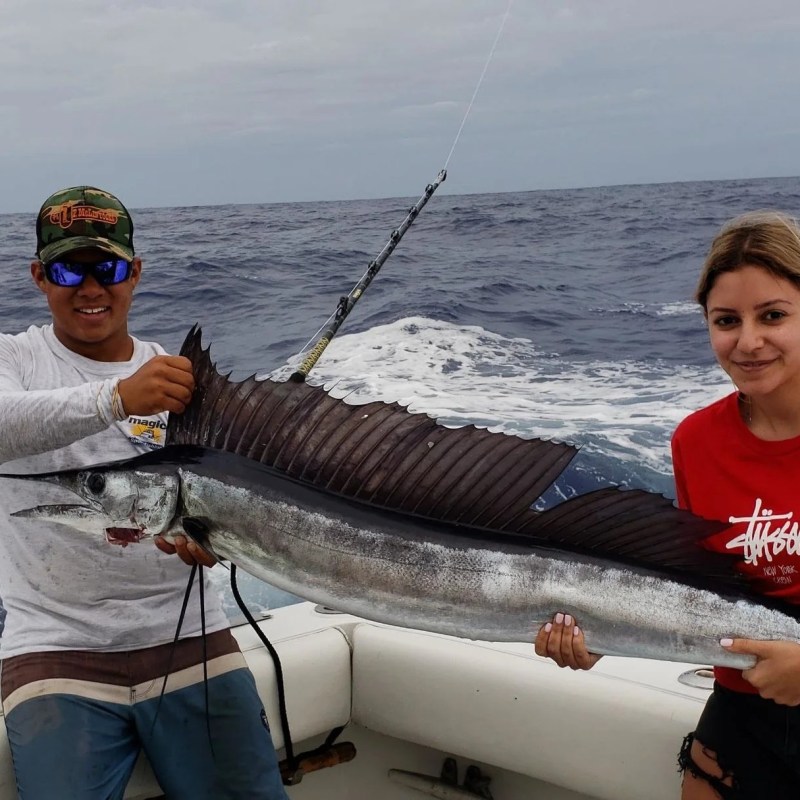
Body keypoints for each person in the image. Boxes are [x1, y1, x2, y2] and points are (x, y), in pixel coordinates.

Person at [0, 186, 289, 799]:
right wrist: (115, 399)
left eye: (106, 267)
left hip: (190, 639)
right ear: (38, 276)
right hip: (56, 651)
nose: (89, 288)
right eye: (67, 268)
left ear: (134, 272)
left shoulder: (181, 383)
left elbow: (233, 512)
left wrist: (214, 538)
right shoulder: (14, 360)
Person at [535, 211, 800, 799]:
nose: (748, 341)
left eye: (773, 315)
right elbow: (692, 582)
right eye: (726, 320)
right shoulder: (696, 441)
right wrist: (604, 632)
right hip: (741, 717)